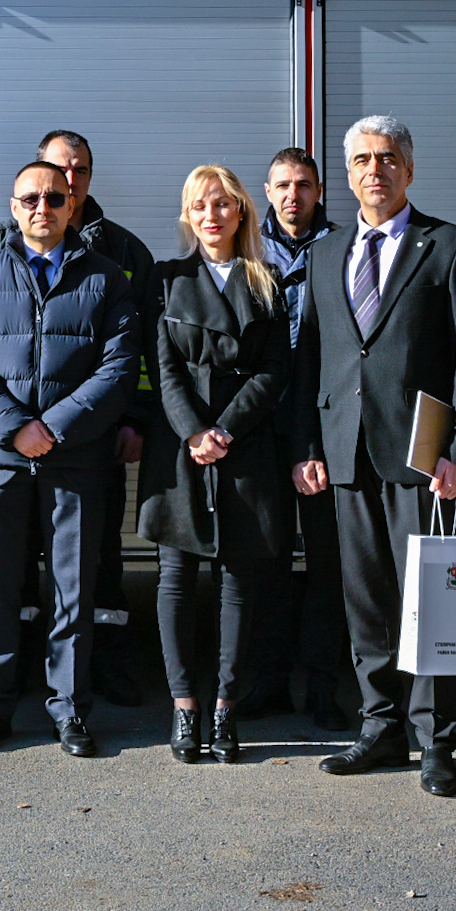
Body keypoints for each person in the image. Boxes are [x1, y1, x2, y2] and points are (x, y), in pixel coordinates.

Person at [292, 115, 456, 797]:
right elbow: (309, 362)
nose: (373, 171)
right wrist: (305, 447)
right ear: (346, 176)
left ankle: (435, 741)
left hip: (422, 461)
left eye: (386, 159)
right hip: (345, 457)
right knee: (367, 603)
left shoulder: (450, 248)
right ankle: (379, 727)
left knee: (430, 603)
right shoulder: (324, 255)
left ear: (409, 169)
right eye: (361, 161)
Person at [0, 156, 139, 756]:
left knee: (72, 592)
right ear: (14, 208)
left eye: (54, 199)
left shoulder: (107, 278)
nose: (42, 208)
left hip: (76, 458)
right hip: (1, 461)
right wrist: (14, 429)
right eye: (30, 199)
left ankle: (69, 709)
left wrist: (52, 428)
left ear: (71, 205)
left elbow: (119, 368)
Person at [142, 165, 293, 764]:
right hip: (181, 450)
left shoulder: (267, 281)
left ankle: (226, 709)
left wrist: (227, 429)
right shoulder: (166, 280)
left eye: (223, 204)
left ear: (241, 214)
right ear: (187, 215)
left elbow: (274, 369)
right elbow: (163, 369)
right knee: (175, 581)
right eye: (200, 205)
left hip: (244, 446)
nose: (212, 215)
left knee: (237, 582)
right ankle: (184, 708)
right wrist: (194, 432)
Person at [258, 149, 349, 728]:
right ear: (267, 191)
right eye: (284, 186)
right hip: (260, 427)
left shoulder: (343, 248)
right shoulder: (244, 248)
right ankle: (264, 683)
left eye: (305, 186)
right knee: (262, 562)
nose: (294, 196)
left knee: (328, 567)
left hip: (324, 425)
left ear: (320, 192)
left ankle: (324, 687)